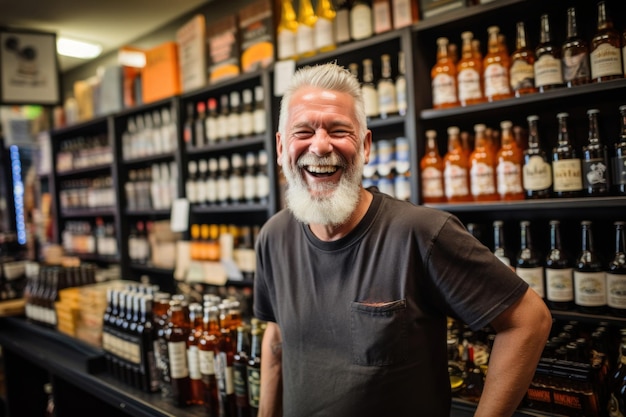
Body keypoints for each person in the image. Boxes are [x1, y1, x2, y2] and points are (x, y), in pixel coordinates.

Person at [253, 62, 551, 417]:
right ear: (281, 146)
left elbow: (529, 320)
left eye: (338, 130)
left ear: (365, 146)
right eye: (303, 131)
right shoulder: (273, 236)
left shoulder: (422, 233)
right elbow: (277, 335)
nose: (320, 146)